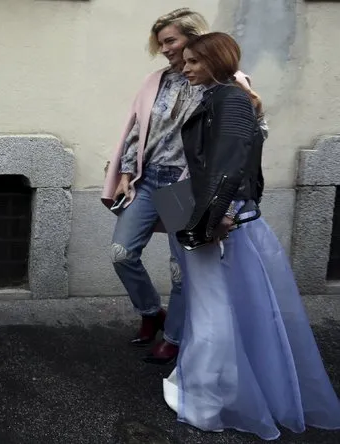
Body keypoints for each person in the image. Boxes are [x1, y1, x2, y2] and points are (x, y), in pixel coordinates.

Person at [162, 32, 340, 440]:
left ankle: (207, 401)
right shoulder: (230, 97)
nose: (185, 68)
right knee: (235, 308)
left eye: (192, 61)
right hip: (221, 214)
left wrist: (211, 220)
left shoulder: (229, 99)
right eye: (184, 61)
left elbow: (229, 164)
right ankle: (224, 389)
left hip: (221, 220)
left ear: (215, 60)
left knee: (212, 312)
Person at [101, 8, 261, 364]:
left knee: (181, 270)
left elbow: (244, 141)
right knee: (121, 253)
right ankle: (150, 312)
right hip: (148, 178)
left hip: (184, 186)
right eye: (161, 44)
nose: (166, 50)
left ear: (195, 38)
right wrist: (127, 172)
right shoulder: (155, 81)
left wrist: (224, 203)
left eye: (171, 40)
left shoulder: (226, 83)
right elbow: (137, 129)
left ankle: (174, 335)